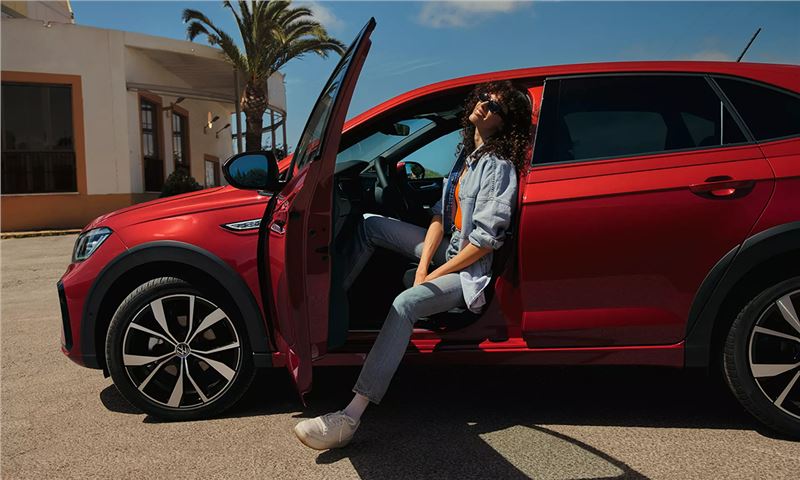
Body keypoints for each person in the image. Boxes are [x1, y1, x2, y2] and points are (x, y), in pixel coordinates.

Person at [294, 80, 533, 450]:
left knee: (405, 303)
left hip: (469, 272)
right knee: (371, 224)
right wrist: (423, 267)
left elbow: (484, 242)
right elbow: (439, 216)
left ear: (503, 123)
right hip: (449, 250)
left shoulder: (497, 167)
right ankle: (326, 306)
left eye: (496, 107)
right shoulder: (467, 159)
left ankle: (350, 417)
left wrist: (433, 276)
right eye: (486, 98)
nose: (485, 106)